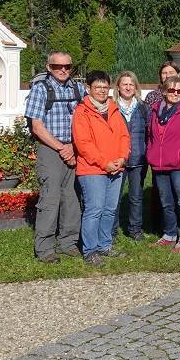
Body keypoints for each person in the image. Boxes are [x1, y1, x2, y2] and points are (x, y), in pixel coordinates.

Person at [27, 51, 85, 263]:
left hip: (74, 147)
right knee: (50, 199)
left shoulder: (79, 89)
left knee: (71, 198)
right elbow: (37, 127)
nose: (63, 70)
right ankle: (44, 248)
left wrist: (73, 146)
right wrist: (62, 148)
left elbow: (86, 120)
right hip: (50, 148)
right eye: (57, 66)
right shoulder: (40, 90)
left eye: (67, 66)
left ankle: (68, 242)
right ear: (49, 67)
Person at [72, 70, 130, 266]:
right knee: (94, 209)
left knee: (109, 209)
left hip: (116, 167)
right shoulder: (82, 112)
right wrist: (104, 163)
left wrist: (122, 158)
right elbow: (84, 144)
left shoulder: (113, 108)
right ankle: (90, 250)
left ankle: (105, 245)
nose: (102, 90)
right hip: (93, 170)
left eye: (105, 87)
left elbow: (124, 136)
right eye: (98, 87)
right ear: (88, 88)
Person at [147, 75, 180, 252]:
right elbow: (151, 135)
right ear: (163, 91)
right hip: (159, 163)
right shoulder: (154, 111)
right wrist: (151, 154)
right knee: (166, 201)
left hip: (178, 164)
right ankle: (169, 233)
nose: (175, 93)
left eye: (179, 91)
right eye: (172, 90)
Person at [113, 71, 149, 240]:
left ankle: (135, 229)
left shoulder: (142, 107)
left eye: (131, 84)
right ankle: (111, 231)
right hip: (116, 159)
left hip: (138, 158)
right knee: (114, 198)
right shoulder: (111, 107)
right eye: (124, 84)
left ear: (135, 87)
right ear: (118, 87)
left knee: (136, 197)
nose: (128, 87)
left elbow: (149, 132)